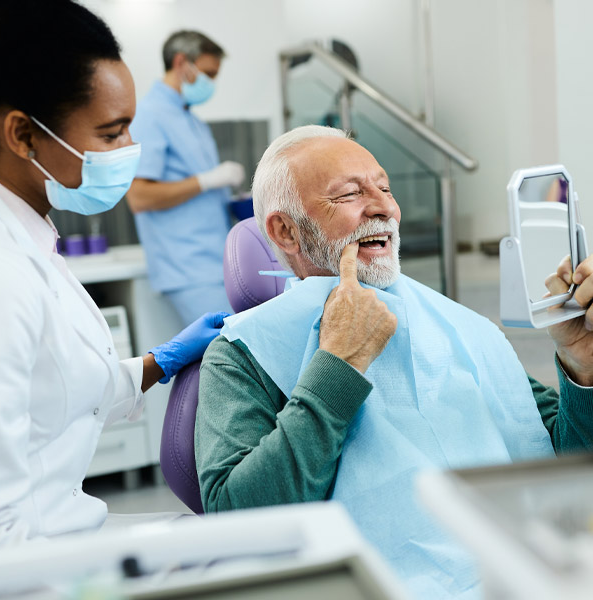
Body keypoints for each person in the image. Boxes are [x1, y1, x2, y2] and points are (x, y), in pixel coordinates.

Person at [195, 125, 593, 598]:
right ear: (285, 231)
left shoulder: (459, 327)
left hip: (524, 569)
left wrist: (581, 367)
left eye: (384, 187)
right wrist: (336, 367)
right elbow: (238, 520)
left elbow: (562, 461)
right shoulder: (244, 353)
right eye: (349, 194)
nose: (383, 207)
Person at [0, 0, 228, 547]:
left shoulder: (30, 236)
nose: (130, 151)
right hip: (33, 561)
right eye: (111, 133)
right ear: (23, 135)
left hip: (63, 527)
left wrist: (158, 363)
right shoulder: (2, 274)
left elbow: (60, 391)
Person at [126, 30, 245, 326]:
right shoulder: (149, 115)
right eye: (207, 73)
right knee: (231, 359)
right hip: (187, 269)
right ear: (181, 62)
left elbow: (196, 195)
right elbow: (139, 197)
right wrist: (206, 181)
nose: (211, 83)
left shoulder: (191, 120)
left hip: (214, 263)